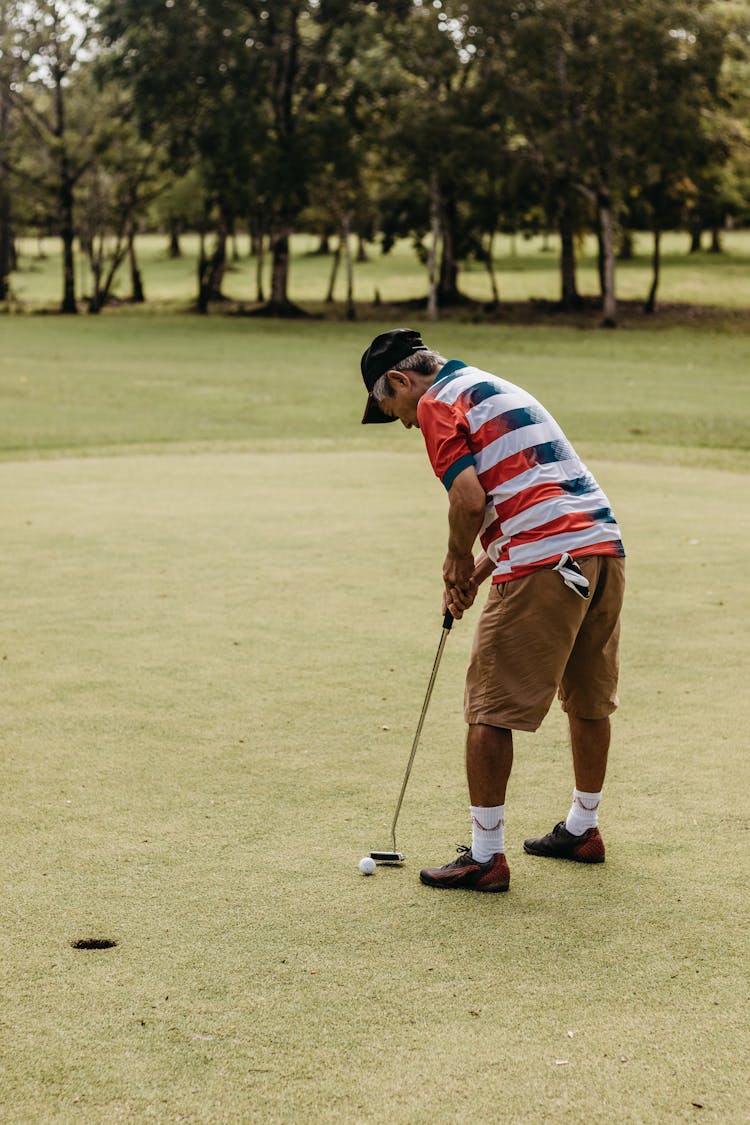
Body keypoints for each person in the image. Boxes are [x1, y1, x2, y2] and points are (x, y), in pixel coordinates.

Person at [359, 328, 626, 893]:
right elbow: (525, 492)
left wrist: (457, 561)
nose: (405, 422)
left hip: (543, 561)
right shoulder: (489, 385)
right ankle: (583, 828)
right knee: (588, 697)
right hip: (600, 549)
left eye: (392, 408)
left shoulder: (436, 403)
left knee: (488, 708)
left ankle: (485, 857)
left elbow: (471, 500)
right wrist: (479, 573)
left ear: (403, 381)